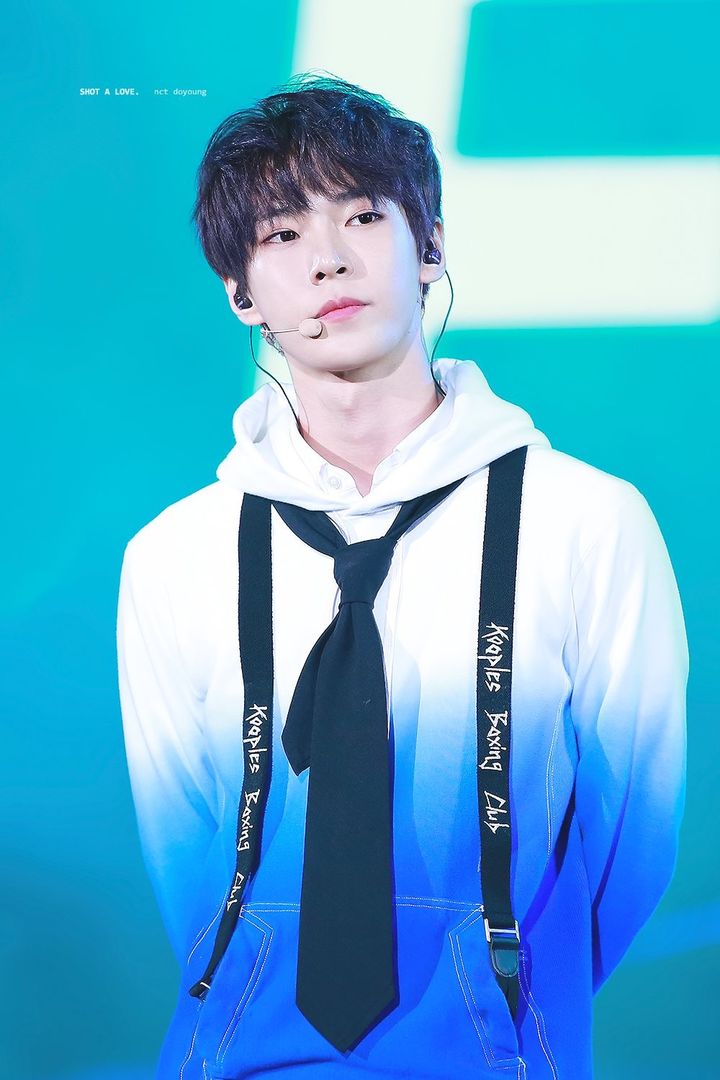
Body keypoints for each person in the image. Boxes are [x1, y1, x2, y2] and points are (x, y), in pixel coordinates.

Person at [116, 73, 689, 1079]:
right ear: (241, 293)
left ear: (430, 247)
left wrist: (506, 993)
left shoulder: (588, 521)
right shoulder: (175, 553)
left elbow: (632, 837)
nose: (328, 258)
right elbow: (187, 857)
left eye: (363, 215)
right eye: (282, 233)